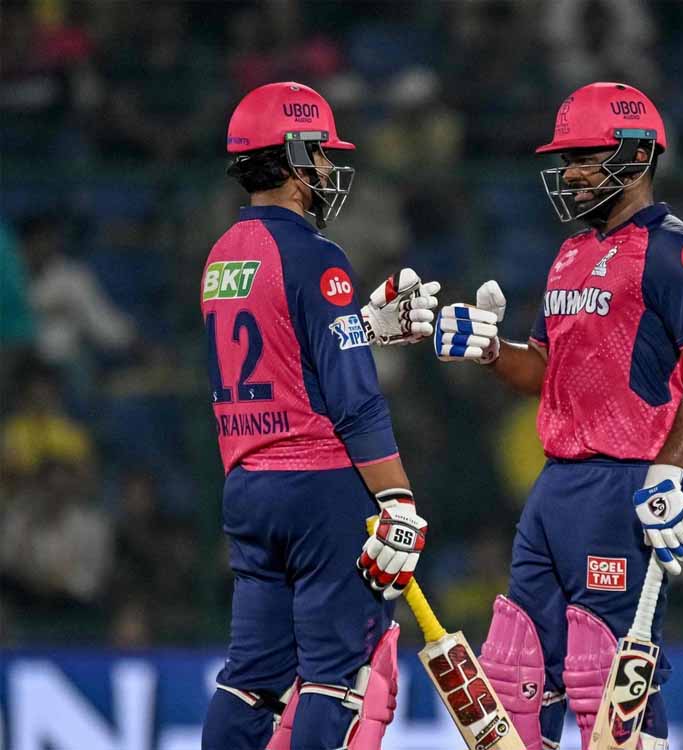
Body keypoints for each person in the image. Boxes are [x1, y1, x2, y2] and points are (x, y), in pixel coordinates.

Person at [434, 82, 683, 750]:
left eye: (583, 157)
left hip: (623, 488)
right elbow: (545, 371)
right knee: (515, 674)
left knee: (612, 682)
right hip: (555, 487)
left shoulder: (671, 250)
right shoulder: (572, 251)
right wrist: (492, 350)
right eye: (565, 160)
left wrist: (669, 472)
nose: (569, 174)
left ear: (636, 154)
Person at [201, 81, 439, 750]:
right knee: (341, 681)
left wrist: (360, 327)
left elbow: (281, 352)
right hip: (320, 490)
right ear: (296, 157)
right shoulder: (318, 257)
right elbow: (354, 398)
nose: (330, 170)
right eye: (323, 155)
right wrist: (397, 498)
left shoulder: (221, 255)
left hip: (248, 488)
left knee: (251, 681)